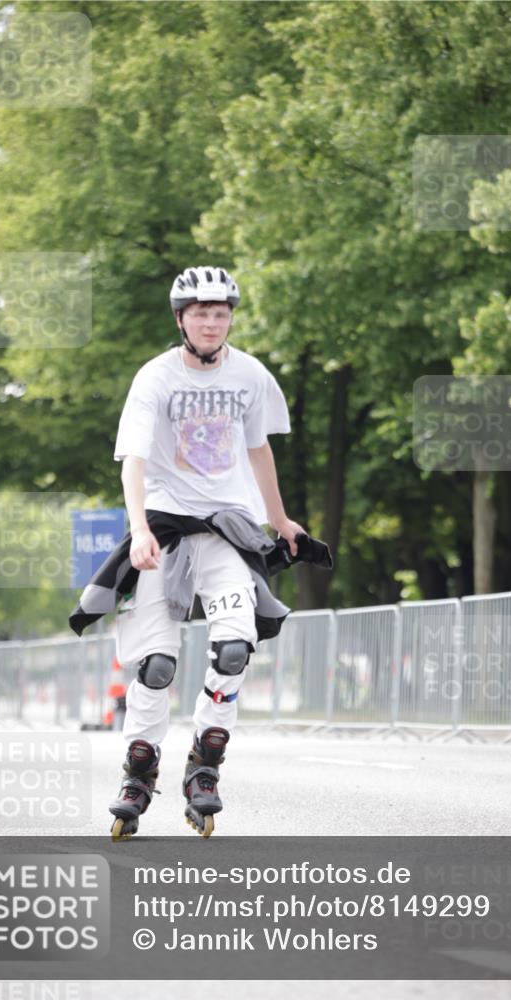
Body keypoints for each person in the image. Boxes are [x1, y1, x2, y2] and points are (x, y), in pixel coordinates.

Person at [108, 265, 306, 839]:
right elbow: (135, 462)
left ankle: (205, 763)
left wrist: (279, 518)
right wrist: (139, 527)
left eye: (221, 313)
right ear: (180, 319)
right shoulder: (155, 378)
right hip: (166, 528)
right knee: (157, 664)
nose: (212, 322)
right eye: (201, 313)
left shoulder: (251, 374)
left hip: (227, 529)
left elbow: (259, 448)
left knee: (234, 652)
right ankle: (139, 770)